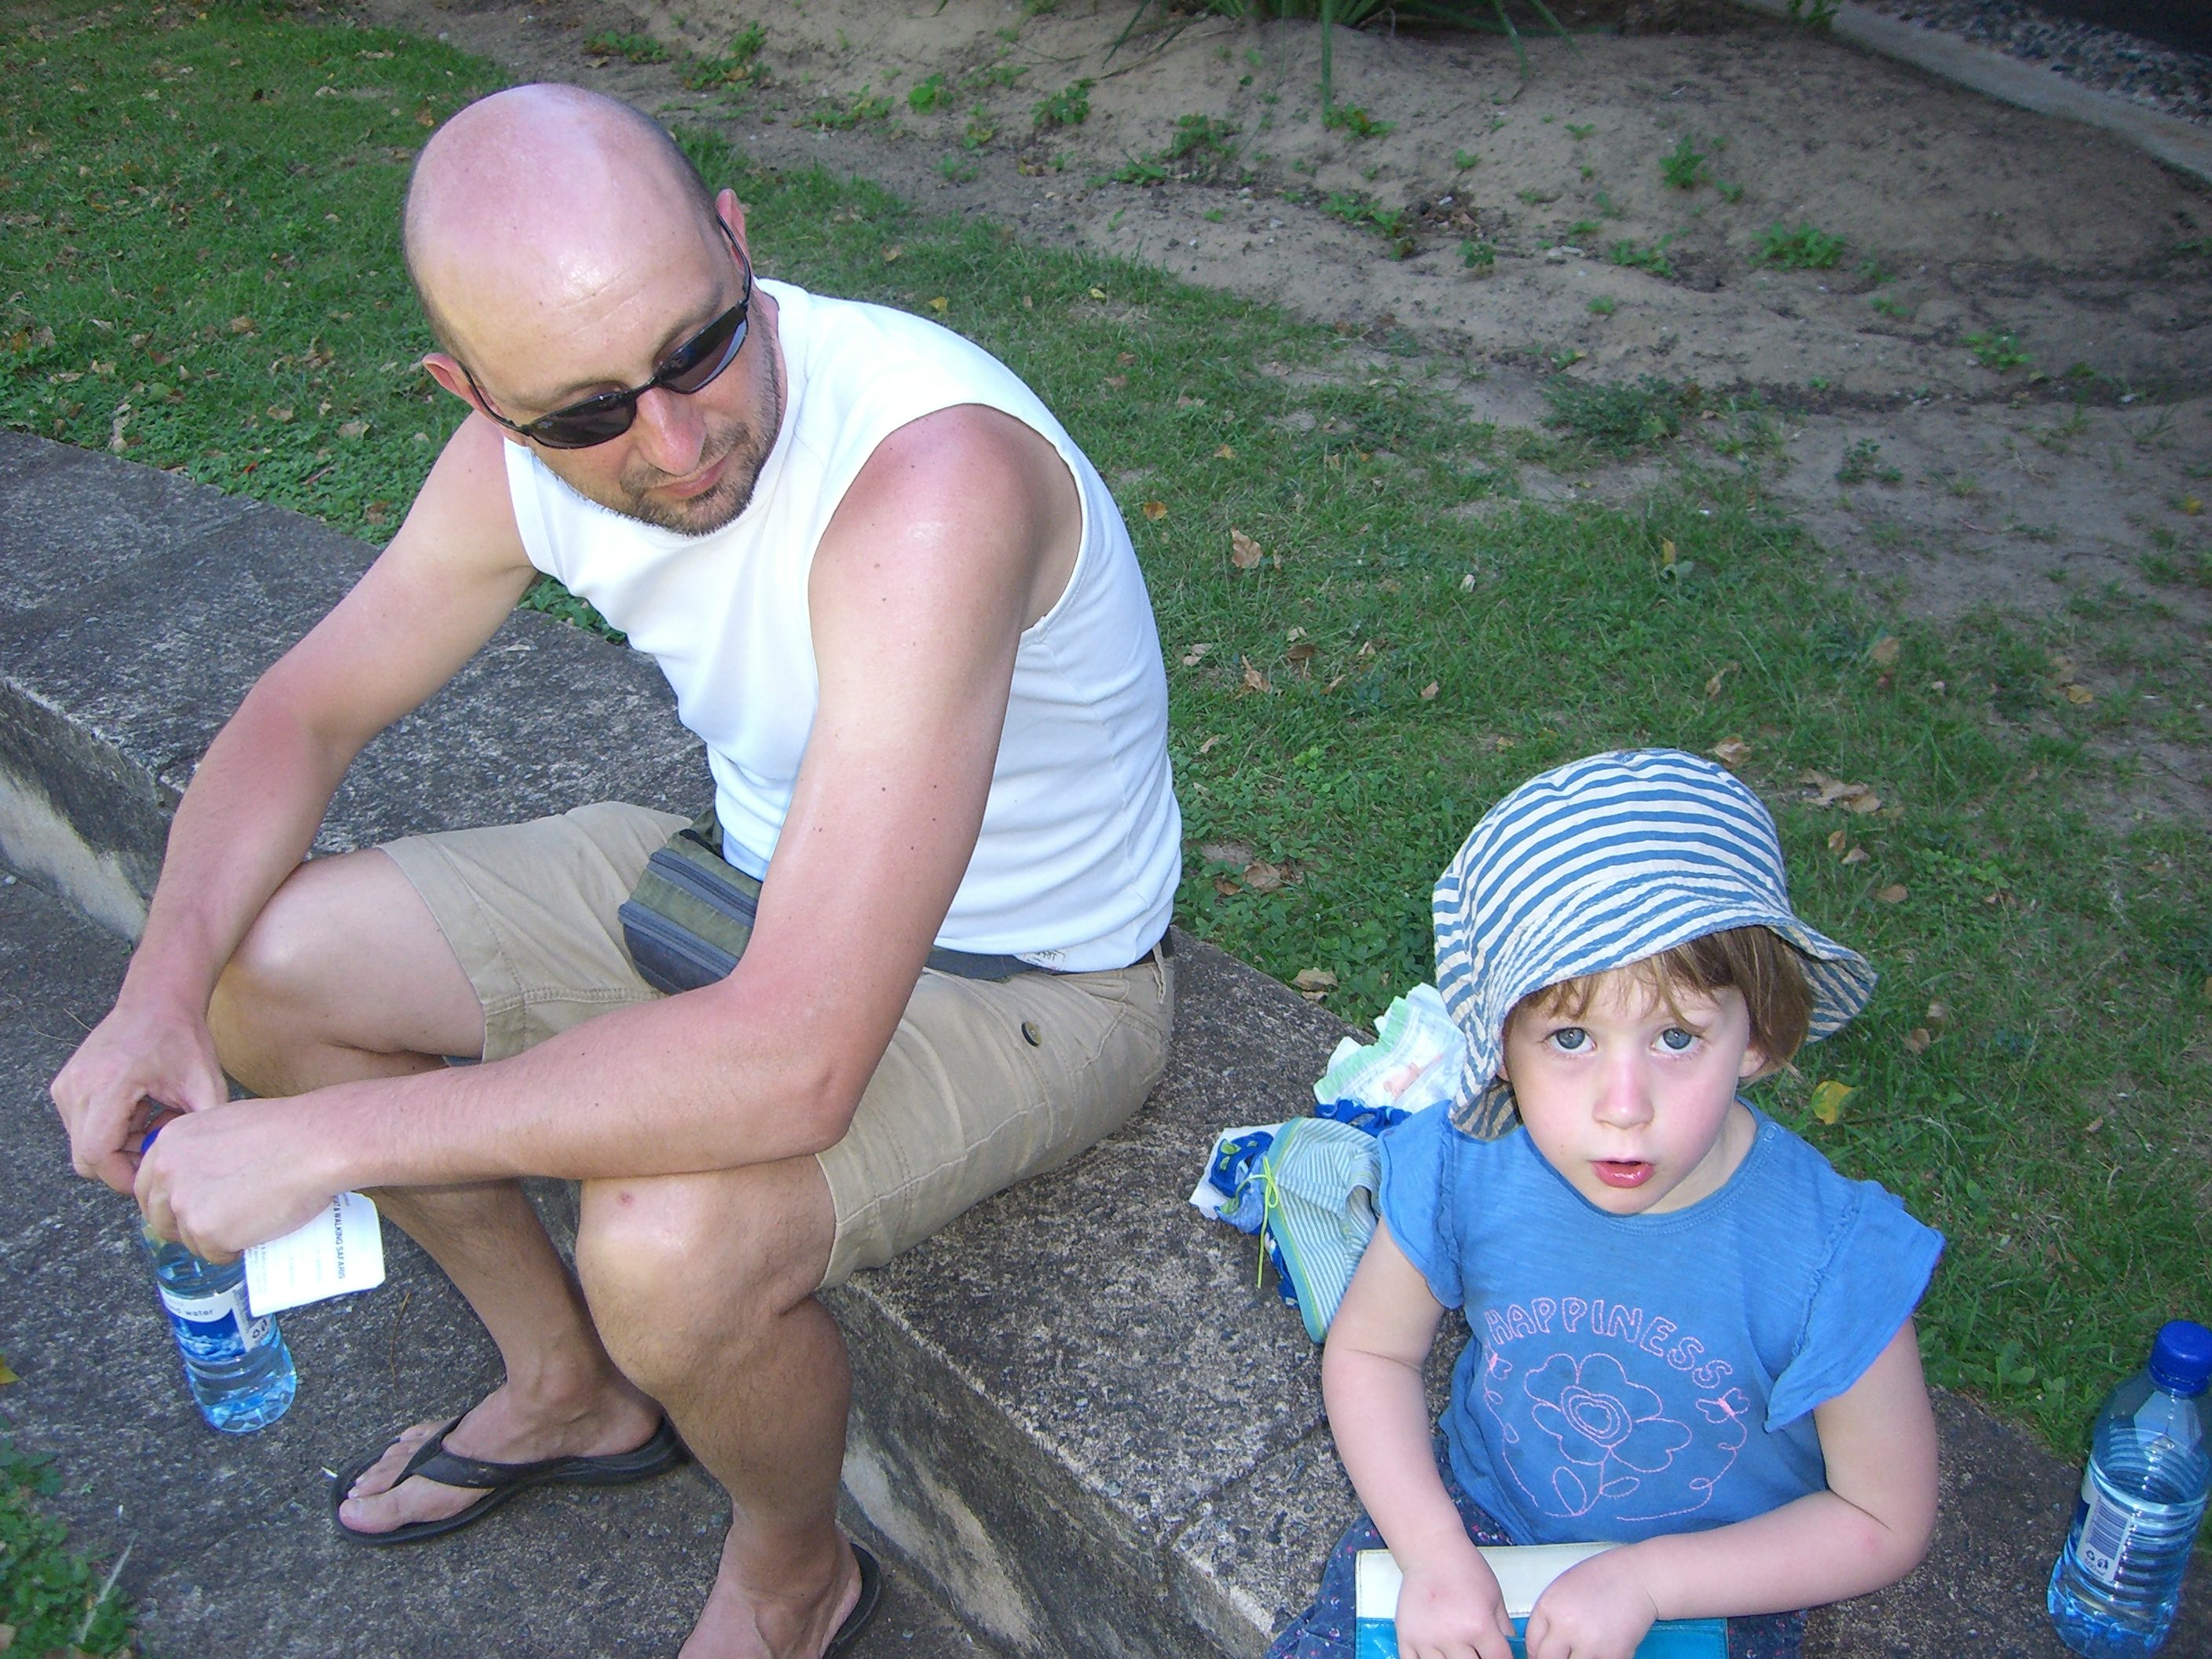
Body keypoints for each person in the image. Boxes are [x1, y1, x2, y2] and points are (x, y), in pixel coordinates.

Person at [48, 82, 1181, 1659]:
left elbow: (793, 1061)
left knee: (660, 1248)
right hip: (755, 887)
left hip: (1024, 984)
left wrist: (324, 1139)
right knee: (260, 972)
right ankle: (564, 1387)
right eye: (584, 415)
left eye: (698, 346)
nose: (675, 438)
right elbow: (303, 713)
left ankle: (792, 1575)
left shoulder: (930, 483)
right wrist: (156, 996)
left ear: (735, 238)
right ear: (475, 394)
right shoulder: (513, 457)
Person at [1269, 749, 1943, 1659]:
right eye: (1569, 1037)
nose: (1622, 1106)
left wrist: (1648, 1581)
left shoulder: (1830, 1258)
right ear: (1500, 1047)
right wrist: (1430, 1550)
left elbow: (1881, 1515)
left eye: (1675, 1037)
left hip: (1719, 1577)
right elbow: (1371, 1351)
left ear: (1757, 1034)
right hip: (1482, 1521)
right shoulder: (1467, 1164)